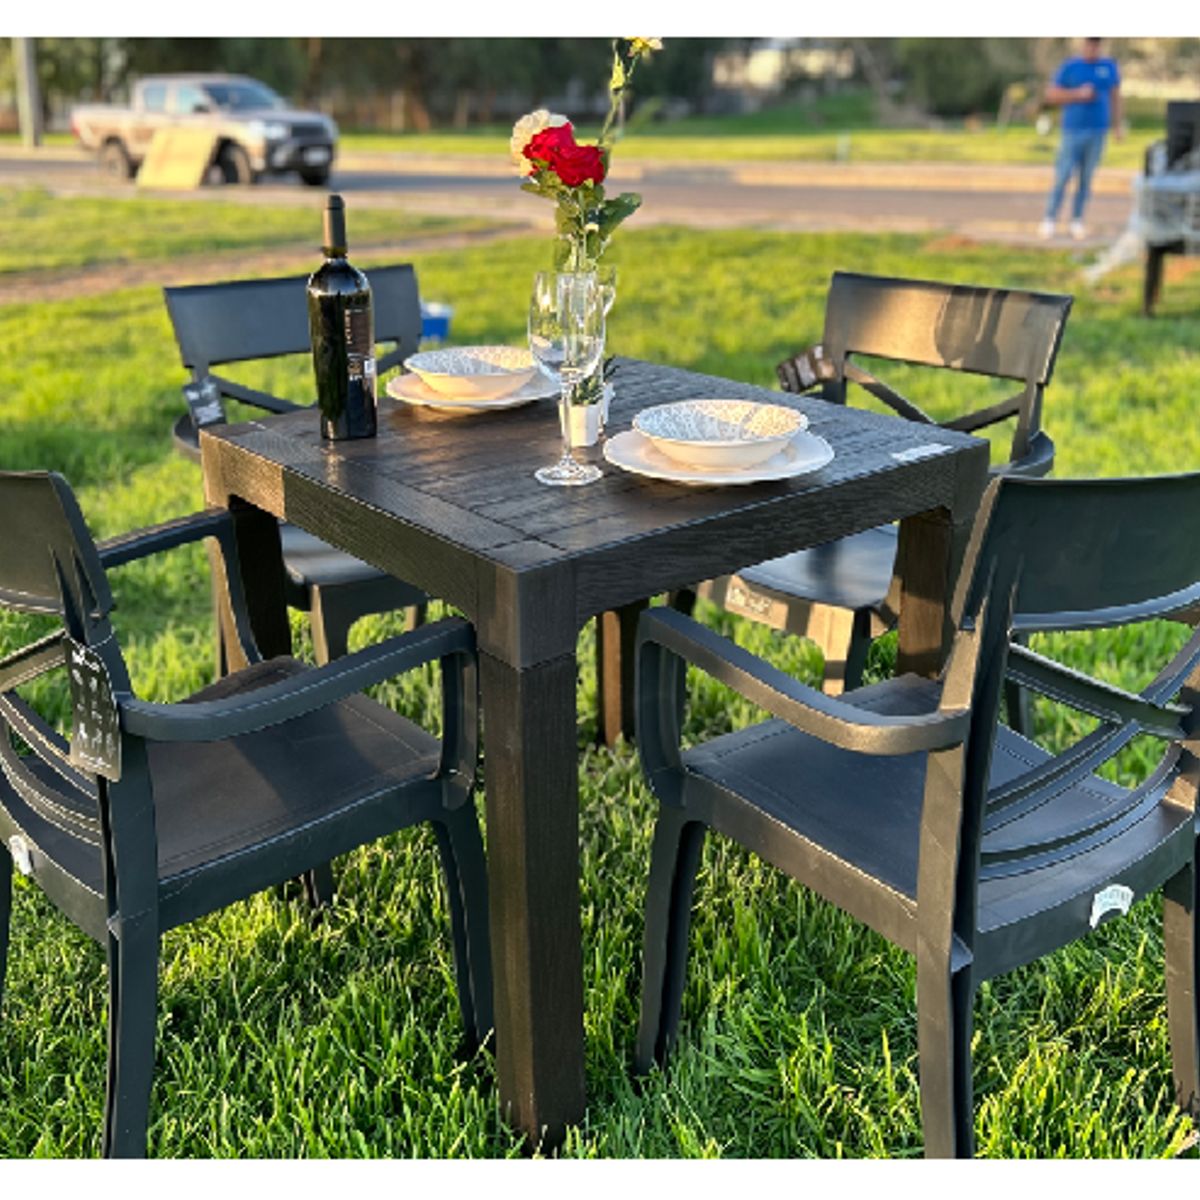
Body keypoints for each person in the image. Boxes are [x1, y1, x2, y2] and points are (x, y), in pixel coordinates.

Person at [1039, 37, 1122, 240]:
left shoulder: (1109, 67)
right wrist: (1078, 94)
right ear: (1083, 45)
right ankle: (1049, 219)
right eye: (1089, 44)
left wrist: (1117, 125)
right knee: (1063, 176)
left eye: (1096, 44)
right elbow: (1051, 95)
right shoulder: (1071, 67)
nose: (1093, 48)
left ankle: (1077, 221)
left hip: (1098, 132)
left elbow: (1116, 97)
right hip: (1073, 131)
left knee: (1086, 179)